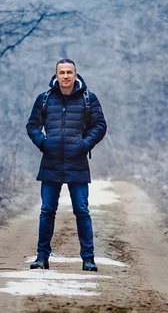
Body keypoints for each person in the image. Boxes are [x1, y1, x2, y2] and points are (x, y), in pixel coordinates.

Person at [25, 58, 107, 272]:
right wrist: (43, 143)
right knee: (47, 210)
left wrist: (84, 144)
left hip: (77, 162)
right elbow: (32, 125)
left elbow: (100, 125)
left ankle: (88, 259)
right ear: (56, 75)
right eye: (62, 72)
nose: (66, 76)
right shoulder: (44, 99)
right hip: (50, 162)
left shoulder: (89, 99)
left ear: (76, 75)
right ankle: (42, 257)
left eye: (69, 72)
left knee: (81, 210)